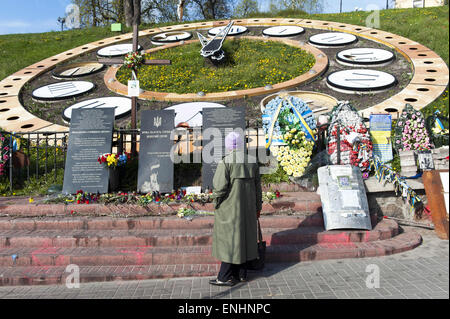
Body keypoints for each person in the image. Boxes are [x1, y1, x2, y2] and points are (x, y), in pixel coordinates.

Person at [209, 132, 263, 286]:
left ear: (228, 145)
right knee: (244, 238)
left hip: (230, 209)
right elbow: (258, 189)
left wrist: (216, 203)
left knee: (229, 240)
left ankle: (224, 277)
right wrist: (257, 208)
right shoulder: (252, 161)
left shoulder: (226, 162)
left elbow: (219, 188)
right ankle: (241, 274)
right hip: (248, 209)